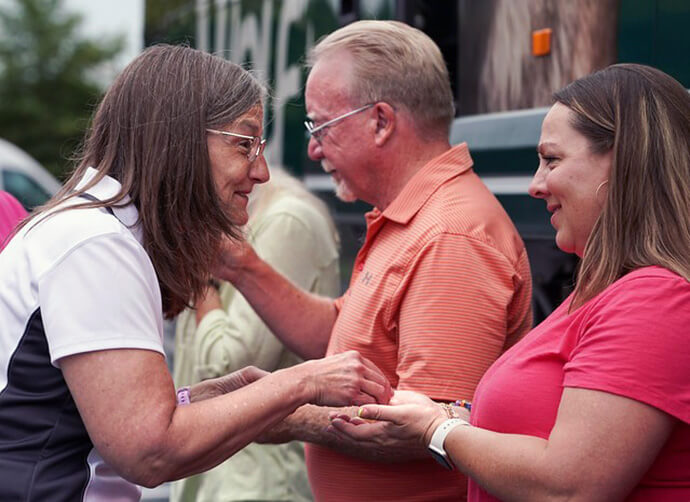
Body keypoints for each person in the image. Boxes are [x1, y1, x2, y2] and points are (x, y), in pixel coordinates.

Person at [0, 44, 392, 502]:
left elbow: (116, 417)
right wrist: (303, 380)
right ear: (179, 139)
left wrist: (216, 395)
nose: (261, 171)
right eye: (244, 144)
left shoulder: (93, 230)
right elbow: (148, 450)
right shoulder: (97, 243)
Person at [331, 63, 690, 501]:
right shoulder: (610, 293)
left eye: (551, 160)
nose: (535, 185)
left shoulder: (652, 300)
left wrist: (437, 429)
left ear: (625, 163)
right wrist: (451, 416)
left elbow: (569, 487)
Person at [215, 20, 533, 502]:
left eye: (321, 125)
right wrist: (238, 264)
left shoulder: (450, 236)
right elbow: (341, 336)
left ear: (381, 121)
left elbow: (423, 430)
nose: (313, 148)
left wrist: (275, 407)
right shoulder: (417, 217)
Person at [171, 166, 340, 502]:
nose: (313, 151)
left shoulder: (286, 221)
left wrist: (202, 278)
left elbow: (228, 364)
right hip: (221, 477)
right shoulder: (252, 217)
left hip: (259, 484)